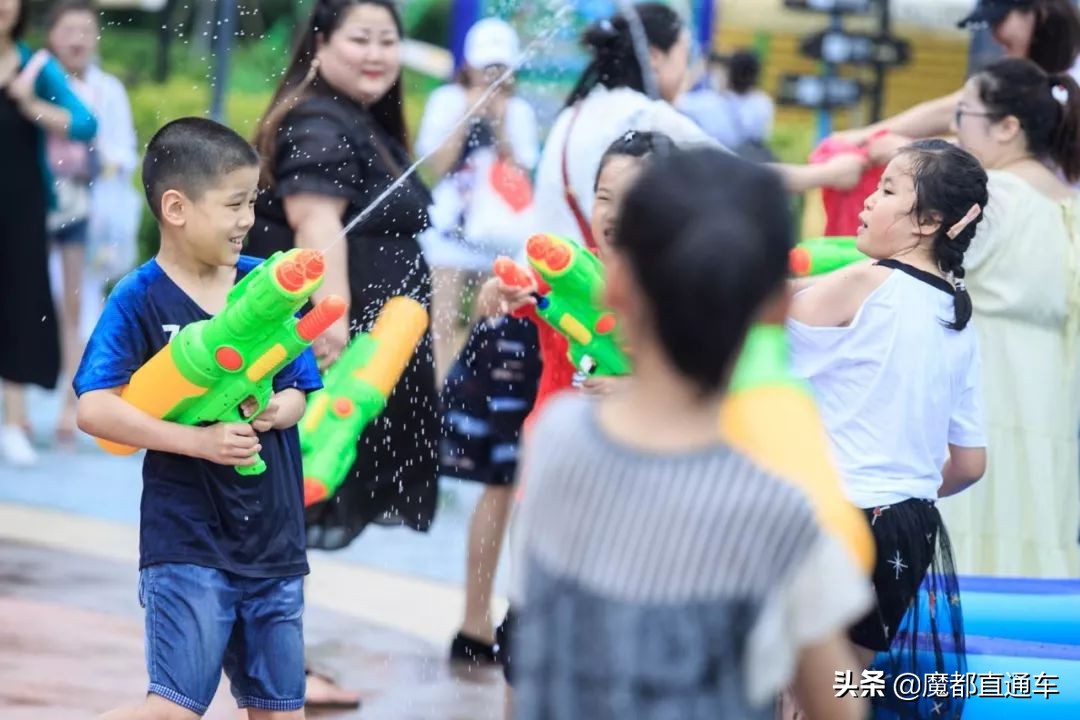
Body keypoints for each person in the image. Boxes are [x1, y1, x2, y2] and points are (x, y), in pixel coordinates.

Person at [510, 147, 872, 720]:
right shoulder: (780, 506)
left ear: (615, 287)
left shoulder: (557, 443)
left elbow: (540, 659)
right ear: (778, 310)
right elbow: (839, 705)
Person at [75, 117, 320, 720]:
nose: (247, 219)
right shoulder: (139, 297)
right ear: (177, 208)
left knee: (279, 710)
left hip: (274, 542)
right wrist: (195, 440)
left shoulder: (267, 287)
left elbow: (300, 393)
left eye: (252, 202)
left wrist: (269, 409)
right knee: (176, 708)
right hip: (186, 539)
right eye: (235, 203)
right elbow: (94, 407)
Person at [248, 0, 439, 707]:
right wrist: (329, 321)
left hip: (359, 353)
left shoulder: (356, 119)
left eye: (388, 40)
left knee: (292, 503)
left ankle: (279, 659)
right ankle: (275, 666)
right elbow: (315, 220)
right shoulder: (318, 119)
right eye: (359, 38)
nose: (376, 53)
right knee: (283, 504)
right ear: (320, 42)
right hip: (326, 351)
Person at [446, 131, 674, 668]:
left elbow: (709, 384)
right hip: (553, 477)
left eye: (635, 198)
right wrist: (496, 294)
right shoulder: (566, 273)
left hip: (638, 490)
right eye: (603, 196)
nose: (614, 213)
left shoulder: (680, 289)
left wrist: (636, 388)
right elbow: (505, 298)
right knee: (526, 640)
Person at [788, 139, 989, 718]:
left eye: (887, 190)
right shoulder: (958, 316)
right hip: (907, 526)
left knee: (793, 697)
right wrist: (903, 487)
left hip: (835, 518)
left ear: (929, 222)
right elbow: (970, 464)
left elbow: (759, 318)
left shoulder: (867, 282)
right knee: (842, 698)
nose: (869, 202)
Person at [936, 58, 1080, 577]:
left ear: (1007, 126)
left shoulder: (993, 197)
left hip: (987, 386)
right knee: (1035, 517)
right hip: (1049, 397)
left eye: (962, 113)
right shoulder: (1069, 202)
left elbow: (917, 274)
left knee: (973, 526)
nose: (955, 127)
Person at [416, 17, 539, 380]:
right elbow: (435, 166)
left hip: (498, 235)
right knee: (441, 322)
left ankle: (477, 394)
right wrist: (467, 116)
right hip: (449, 230)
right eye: (486, 68)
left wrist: (500, 125)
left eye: (500, 69)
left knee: (488, 323)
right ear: (469, 66)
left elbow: (521, 174)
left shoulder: (519, 112)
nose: (492, 78)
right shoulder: (446, 100)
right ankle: (438, 392)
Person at [0, 0, 96, 466]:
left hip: (18, 201)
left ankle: (14, 420)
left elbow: (84, 123)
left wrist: (29, 103)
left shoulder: (33, 66)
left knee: (17, 303)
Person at [45, 0, 139, 445]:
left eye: (86, 30)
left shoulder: (109, 90)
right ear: (52, 35)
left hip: (91, 215)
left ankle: (73, 402)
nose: (78, 39)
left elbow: (124, 151)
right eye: (70, 30)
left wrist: (93, 160)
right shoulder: (34, 80)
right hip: (37, 208)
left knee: (79, 305)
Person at [834, 0, 1080, 149]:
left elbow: (1005, 155)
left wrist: (906, 149)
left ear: (1038, 12)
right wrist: (866, 137)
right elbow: (947, 109)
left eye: (999, 21)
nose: (995, 35)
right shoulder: (1020, 77)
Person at [679, 49, 775, 160]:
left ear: (729, 74)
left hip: (716, 165)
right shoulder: (763, 103)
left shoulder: (707, 103)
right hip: (750, 166)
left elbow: (674, 101)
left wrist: (700, 67)